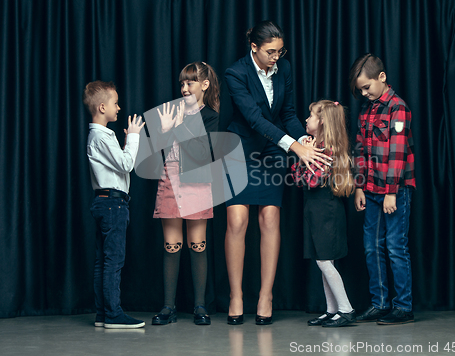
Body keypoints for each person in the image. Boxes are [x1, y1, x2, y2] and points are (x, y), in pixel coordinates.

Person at [224, 20, 331, 325]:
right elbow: (255, 119)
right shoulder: (236, 73)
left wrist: (305, 139)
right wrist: (295, 147)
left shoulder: (283, 69)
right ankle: (236, 296)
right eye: (270, 52)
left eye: (280, 51)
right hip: (240, 146)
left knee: (270, 217)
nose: (276, 57)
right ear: (254, 47)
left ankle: (265, 296)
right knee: (237, 219)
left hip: (273, 149)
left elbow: (287, 114)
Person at [349, 53, 416, 324]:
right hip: (372, 189)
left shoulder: (398, 108)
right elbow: (361, 150)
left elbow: (397, 154)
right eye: (360, 90)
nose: (364, 93)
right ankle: (379, 303)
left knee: (395, 247)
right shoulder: (367, 110)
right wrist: (359, 187)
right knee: (371, 247)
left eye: (367, 87)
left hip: (394, 191)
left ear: (382, 78)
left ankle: (403, 307)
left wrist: (391, 192)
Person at [151, 62, 219, 326]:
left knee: (197, 243)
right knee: (171, 244)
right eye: (182, 83)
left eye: (189, 82)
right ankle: (168, 306)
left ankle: (200, 306)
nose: (184, 88)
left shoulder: (211, 114)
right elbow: (157, 148)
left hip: (197, 181)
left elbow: (203, 152)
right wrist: (164, 133)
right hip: (171, 178)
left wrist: (174, 130)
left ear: (204, 85)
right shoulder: (171, 111)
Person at [83, 80, 146, 329]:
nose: (119, 108)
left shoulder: (98, 136)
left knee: (103, 260)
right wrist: (133, 138)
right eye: (115, 103)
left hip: (104, 202)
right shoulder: (101, 136)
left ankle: (103, 313)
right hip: (113, 205)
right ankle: (113, 314)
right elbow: (126, 164)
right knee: (113, 261)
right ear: (101, 107)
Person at [291, 100, 356, 327]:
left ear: (322, 122)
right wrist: (304, 154)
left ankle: (346, 309)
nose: (307, 119)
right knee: (322, 260)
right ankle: (331, 310)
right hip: (314, 209)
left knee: (325, 261)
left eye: (310, 116)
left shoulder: (326, 151)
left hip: (325, 210)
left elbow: (311, 180)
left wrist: (303, 156)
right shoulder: (315, 148)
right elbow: (298, 181)